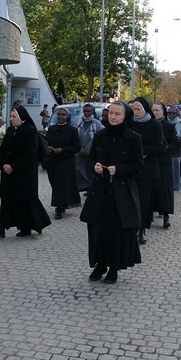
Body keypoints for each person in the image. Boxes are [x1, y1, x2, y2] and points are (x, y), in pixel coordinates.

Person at [79, 101, 143, 285]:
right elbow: (90, 160)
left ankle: (114, 267)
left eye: (118, 114)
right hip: (100, 191)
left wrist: (120, 169)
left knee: (116, 231)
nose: (113, 117)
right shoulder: (100, 135)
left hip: (120, 192)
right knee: (97, 229)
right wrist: (95, 167)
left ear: (125, 117)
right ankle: (100, 264)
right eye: (111, 113)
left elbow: (139, 166)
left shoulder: (133, 138)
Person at [0, 106, 51, 238]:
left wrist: (14, 167)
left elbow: (30, 154)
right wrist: (4, 164)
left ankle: (26, 227)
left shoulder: (30, 131)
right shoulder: (10, 131)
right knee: (5, 199)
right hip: (8, 173)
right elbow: (2, 150)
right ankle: (1, 227)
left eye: (13, 117)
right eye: (11, 117)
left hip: (24, 173)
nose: (11, 120)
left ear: (21, 118)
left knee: (23, 200)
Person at [130, 97, 164, 245]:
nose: (136, 112)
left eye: (138, 109)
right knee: (131, 200)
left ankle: (142, 229)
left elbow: (160, 146)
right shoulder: (130, 124)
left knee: (144, 201)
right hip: (132, 169)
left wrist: (143, 150)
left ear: (145, 110)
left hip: (148, 170)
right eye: (134, 109)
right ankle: (131, 228)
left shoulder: (155, 125)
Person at [45, 106, 81, 219]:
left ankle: (59, 208)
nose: (60, 117)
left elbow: (77, 146)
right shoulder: (51, 129)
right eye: (59, 114)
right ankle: (62, 203)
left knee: (60, 184)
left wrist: (63, 150)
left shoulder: (72, 130)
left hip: (66, 162)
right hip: (52, 161)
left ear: (67, 117)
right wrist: (48, 148)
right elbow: (45, 142)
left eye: (63, 115)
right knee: (55, 184)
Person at [152, 102, 177, 229]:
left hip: (164, 161)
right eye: (153, 110)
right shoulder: (150, 125)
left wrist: (166, 148)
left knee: (165, 190)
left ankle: (166, 215)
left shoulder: (169, 126)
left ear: (163, 111)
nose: (155, 112)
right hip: (151, 161)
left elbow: (175, 143)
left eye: (157, 110)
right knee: (151, 189)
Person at [75, 104, 104, 193]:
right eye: (85, 111)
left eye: (88, 111)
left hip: (93, 153)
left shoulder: (97, 124)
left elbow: (101, 138)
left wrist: (91, 150)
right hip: (81, 152)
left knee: (92, 171)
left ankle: (92, 188)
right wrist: (81, 150)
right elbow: (75, 138)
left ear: (92, 111)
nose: (86, 113)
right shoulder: (79, 123)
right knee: (81, 171)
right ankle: (86, 187)